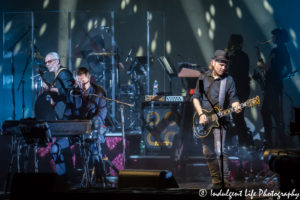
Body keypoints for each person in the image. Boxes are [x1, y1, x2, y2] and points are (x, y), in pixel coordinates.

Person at [50, 67, 108, 187]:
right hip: (76, 132)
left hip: (94, 131)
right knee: (55, 148)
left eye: (84, 82)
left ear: (89, 79)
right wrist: (63, 125)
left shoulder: (99, 92)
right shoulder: (73, 93)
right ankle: (66, 178)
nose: (82, 86)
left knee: (94, 150)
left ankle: (99, 180)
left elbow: (101, 115)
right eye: (79, 83)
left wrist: (87, 124)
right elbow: (67, 114)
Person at [192, 50, 241, 189]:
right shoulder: (203, 78)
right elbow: (196, 97)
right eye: (221, 64)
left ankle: (225, 183)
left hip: (221, 121)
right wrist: (201, 114)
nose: (223, 68)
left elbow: (233, 98)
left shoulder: (228, 80)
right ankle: (216, 182)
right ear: (213, 63)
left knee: (220, 151)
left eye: (225, 65)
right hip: (204, 120)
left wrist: (236, 105)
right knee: (207, 152)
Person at [257, 28, 292, 148]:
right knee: (276, 113)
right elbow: (289, 70)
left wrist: (260, 64)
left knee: (266, 112)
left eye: (274, 36)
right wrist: (280, 77)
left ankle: (269, 141)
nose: (271, 38)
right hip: (277, 86)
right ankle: (281, 140)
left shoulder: (275, 51)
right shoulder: (285, 51)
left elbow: (266, 68)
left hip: (271, 85)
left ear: (278, 38)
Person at [226, 34, 252, 146]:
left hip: (238, 91)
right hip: (242, 90)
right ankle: (243, 142)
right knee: (238, 117)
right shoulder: (242, 56)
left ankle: (244, 142)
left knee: (237, 117)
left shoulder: (235, 57)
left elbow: (231, 73)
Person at [38, 52, 75, 120]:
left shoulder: (63, 73)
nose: (47, 64)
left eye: (49, 61)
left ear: (57, 61)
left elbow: (70, 91)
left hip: (67, 113)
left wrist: (51, 89)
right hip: (62, 112)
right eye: (45, 63)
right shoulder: (58, 73)